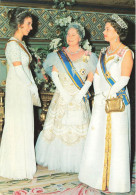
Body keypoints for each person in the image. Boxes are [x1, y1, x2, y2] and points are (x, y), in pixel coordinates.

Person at [78, 14, 134, 193]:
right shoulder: (103, 52)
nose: (104, 32)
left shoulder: (127, 53)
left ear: (117, 33)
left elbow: (124, 78)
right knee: (98, 137)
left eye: (107, 29)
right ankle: (95, 177)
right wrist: (97, 93)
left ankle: (116, 181)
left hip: (117, 101)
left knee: (116, 139)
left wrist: (109, 93)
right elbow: (96, 75)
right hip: (102, 100)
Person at [35, 22, 98, 173]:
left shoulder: (88, 56)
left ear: (80, 37)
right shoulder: (59, 54)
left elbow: (91, 76)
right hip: (62, 96)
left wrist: (82, 93)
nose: (70, 37)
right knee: (59, 127)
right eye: (68, 34)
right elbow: (55, 74)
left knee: (77, 128)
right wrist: (63, 92)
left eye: (73, 35)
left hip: (78, 97)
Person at [0, 8, 40, 179]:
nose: (31, 27)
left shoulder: (22, 44)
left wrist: (31, 86)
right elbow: (17, 70)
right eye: (28, 24)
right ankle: (14, 168)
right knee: (17, 125)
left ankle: (24, 166)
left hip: (24, 89)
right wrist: (31, 86)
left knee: (25, 125)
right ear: (19, 24)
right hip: (18, 90)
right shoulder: (12, 44)